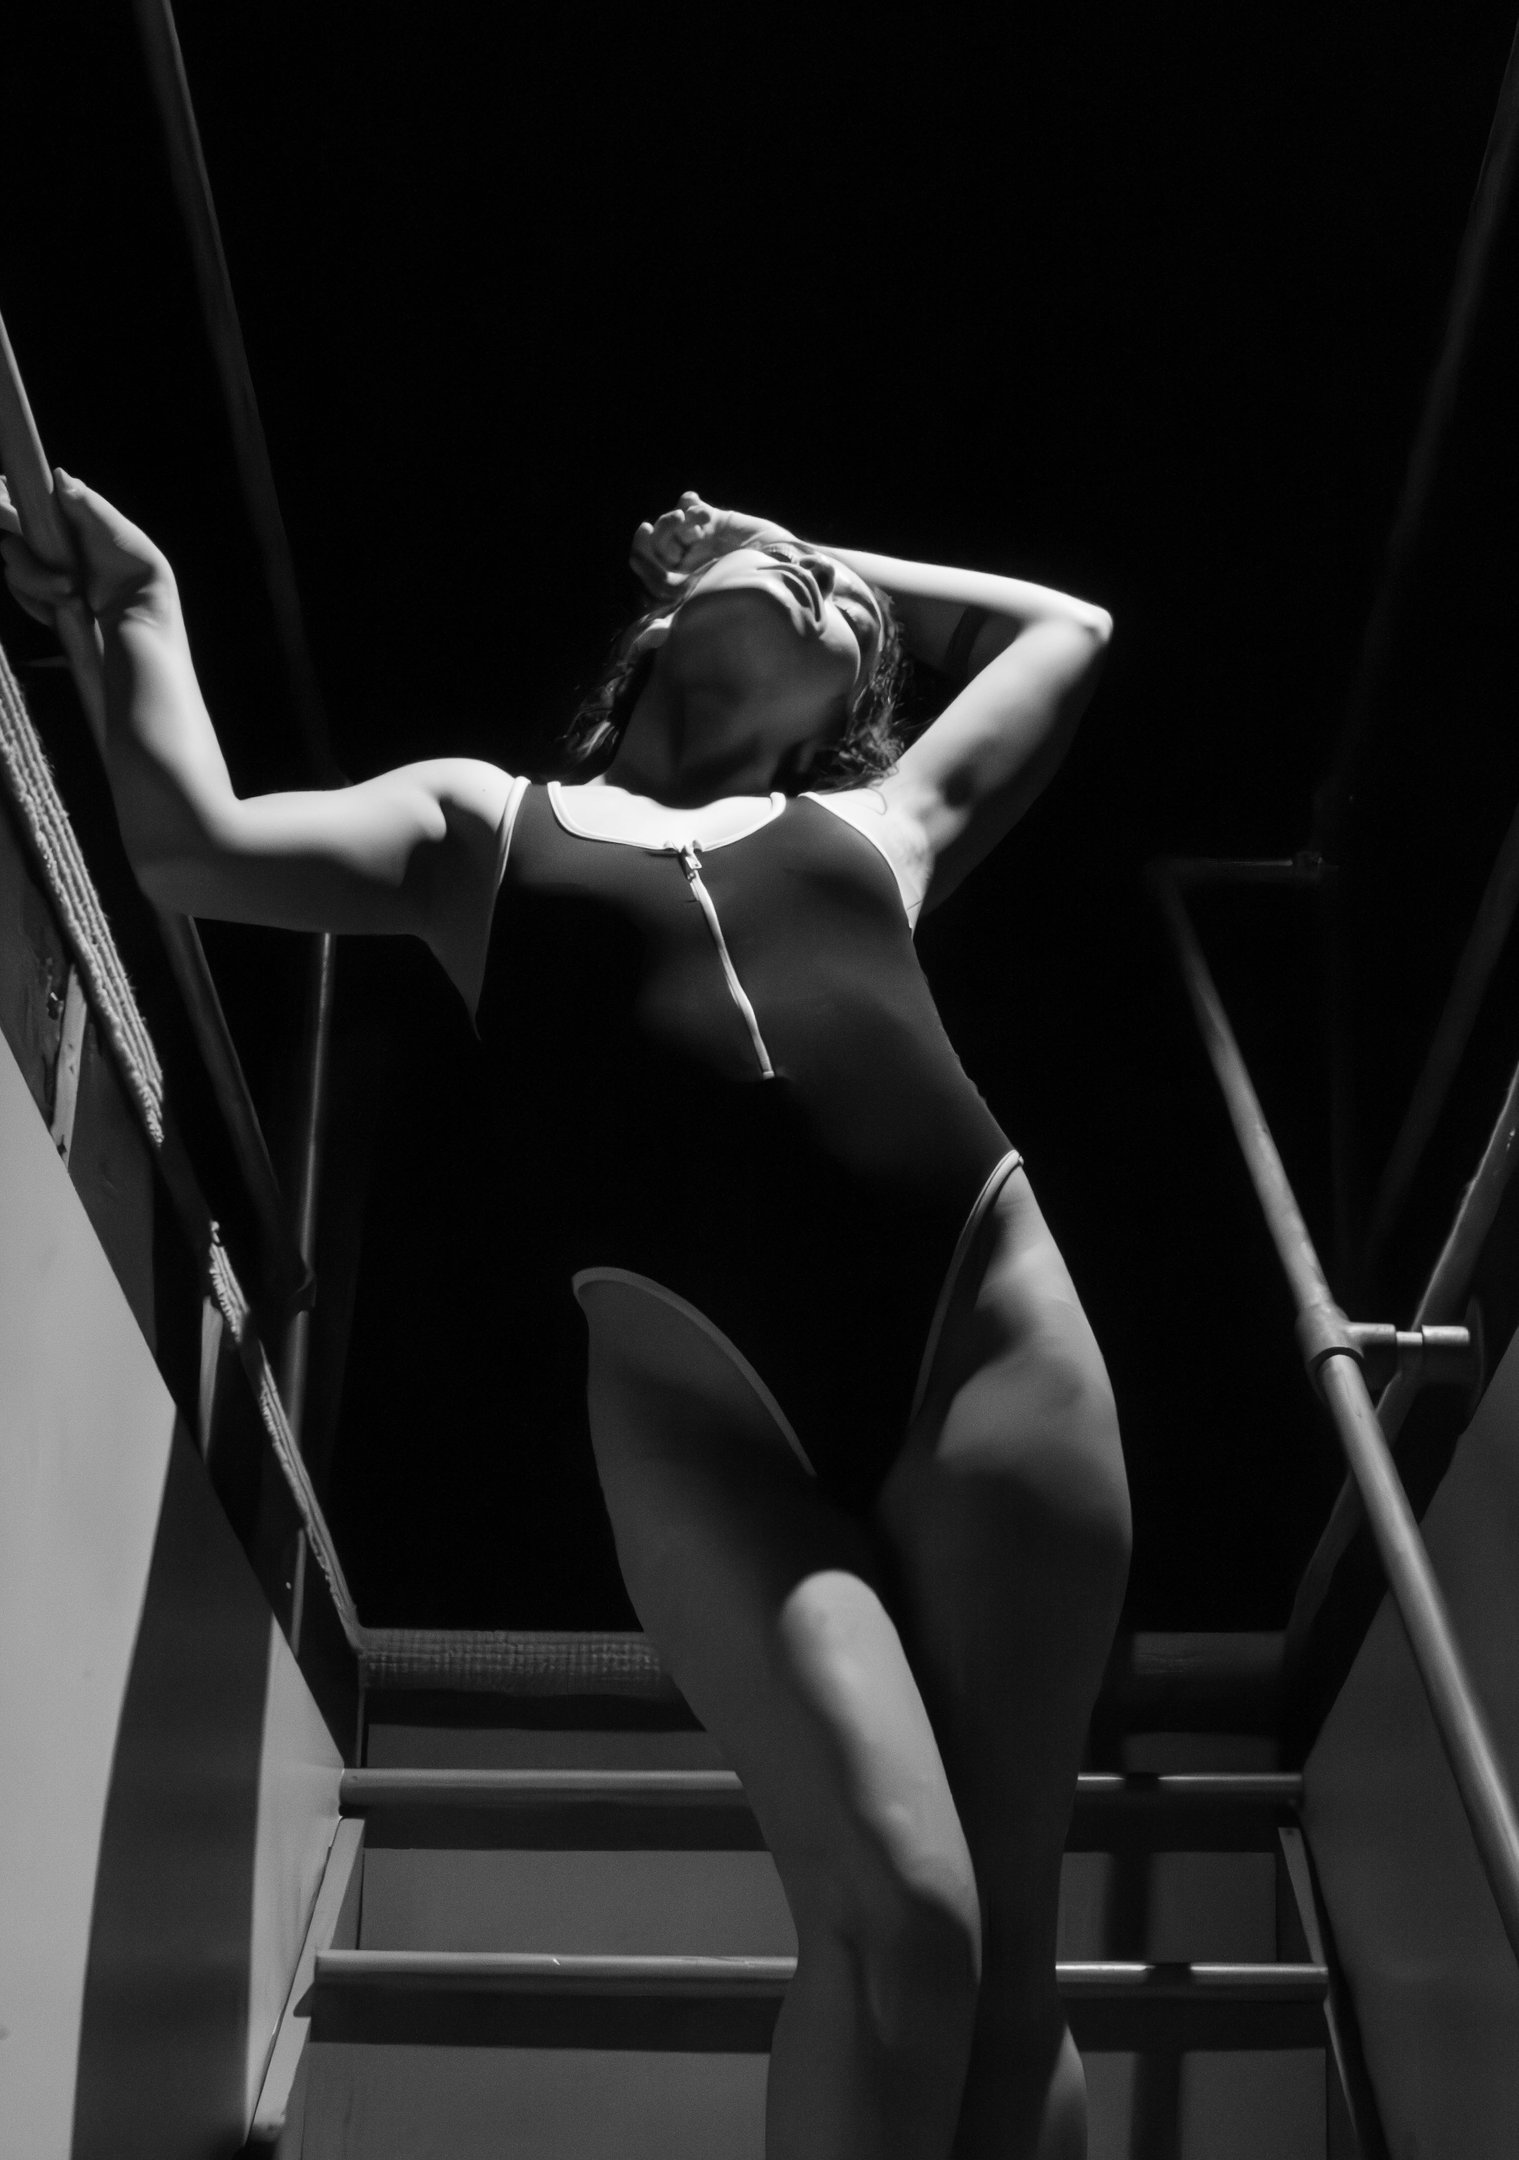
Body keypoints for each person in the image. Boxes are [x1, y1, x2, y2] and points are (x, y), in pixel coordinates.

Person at [1, 472, 1131, 2160]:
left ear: (847, 713)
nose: (831, 596)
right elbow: (191, 845)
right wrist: (144, 611)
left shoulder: (881, 827)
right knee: (910, 1918)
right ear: (663, 618)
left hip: (987, 1341)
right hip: (703, 1414)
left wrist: (797, 539)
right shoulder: (484, 826)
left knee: (1011, 1963)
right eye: (800, 578)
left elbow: (1071, 627)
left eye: (852, 620)